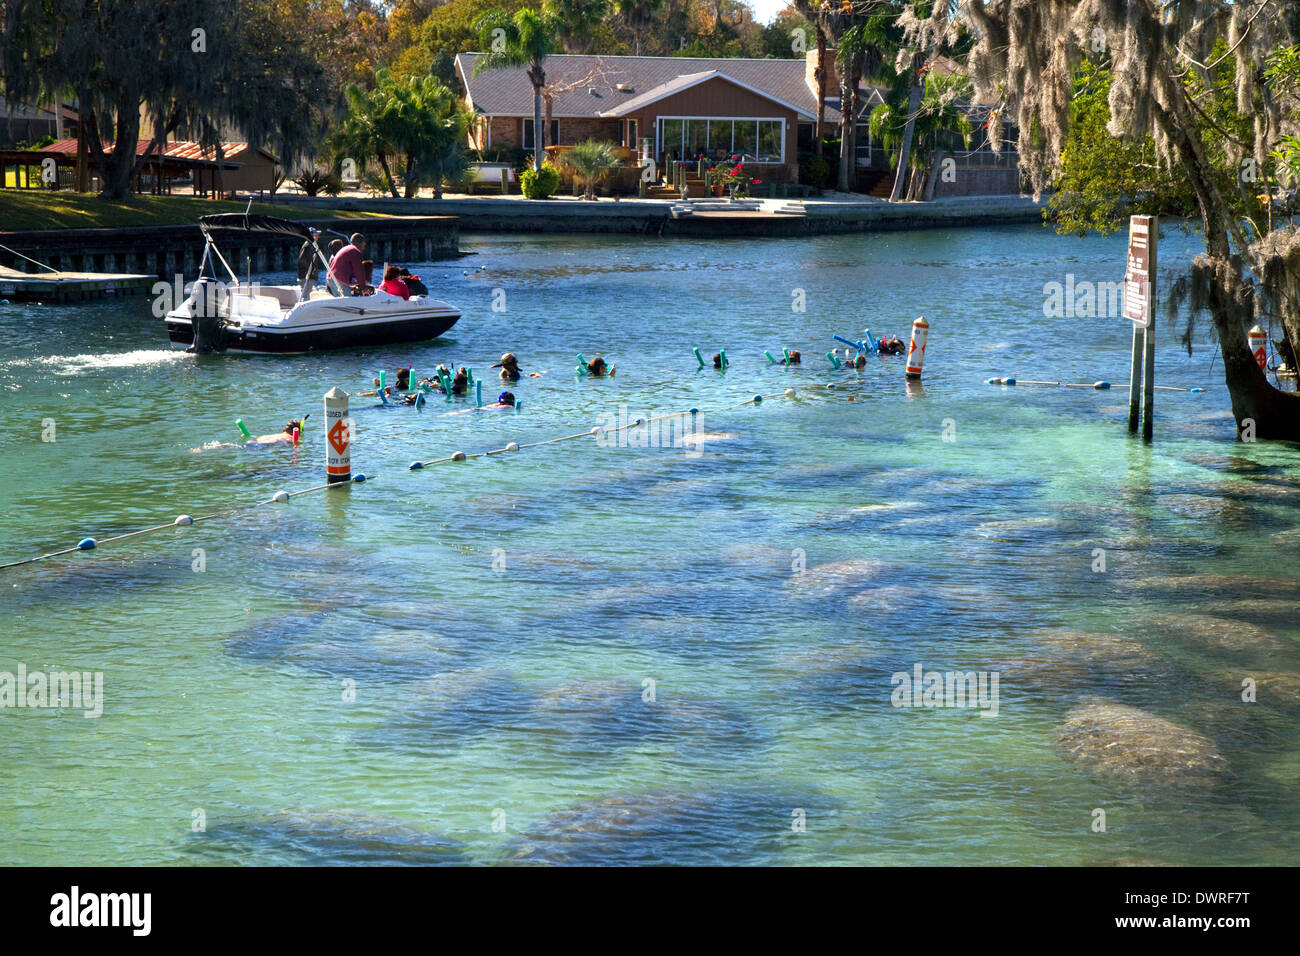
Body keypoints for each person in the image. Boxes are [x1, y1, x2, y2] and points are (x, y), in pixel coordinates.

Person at [297, 228, 322, 300]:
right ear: (311, 236)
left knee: (306, 295)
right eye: (316, 235)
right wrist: (310, 273)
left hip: (308, 276)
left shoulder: (311, 246)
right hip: (306, 276)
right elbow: (303, 262)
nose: (318, 236)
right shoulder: (308, 246)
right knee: (305, 296)